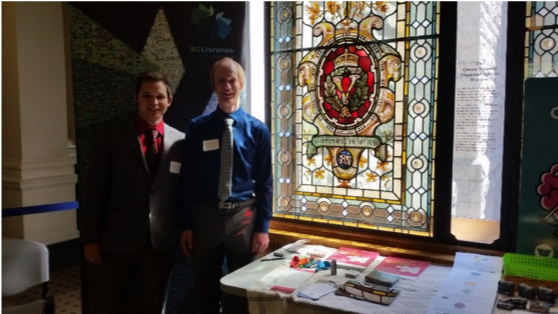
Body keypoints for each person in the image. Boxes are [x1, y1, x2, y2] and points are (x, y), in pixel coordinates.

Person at [79, 71, 185, 314]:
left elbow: (181, 194)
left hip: (160, 243)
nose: (154, 102)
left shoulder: (181, 141)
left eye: (160, 96)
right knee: (113, 305)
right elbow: (95, 191)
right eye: (147, 95)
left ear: (170, 100)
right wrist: (90, 239)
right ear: (135, 98)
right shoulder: (112, 137)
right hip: (117, 242)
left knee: (154, 305)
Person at [179, 57, 273, 314]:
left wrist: (263, 227)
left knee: (241, 289)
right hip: (205, 217)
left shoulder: (258, 130)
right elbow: (188, 180)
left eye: (232, 80)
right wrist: (186, 224)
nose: (227, 86)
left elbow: (265, 182)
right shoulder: (197, 128)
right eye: (221, 80)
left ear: (241, 83)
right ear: (214, 85)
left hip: (242, 217)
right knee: (204, 287)